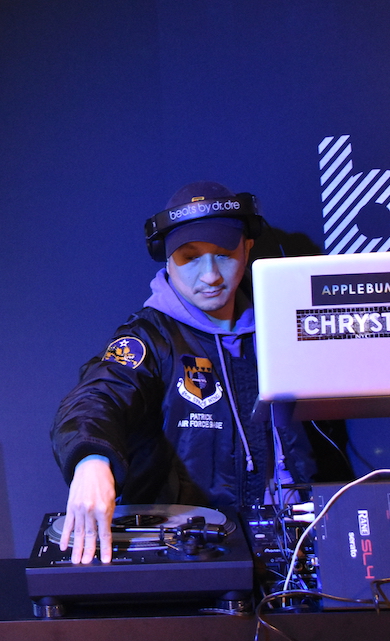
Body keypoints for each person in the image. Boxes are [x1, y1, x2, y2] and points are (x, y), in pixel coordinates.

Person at [49, 181, 316, 564]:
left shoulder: (286, 328)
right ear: (167, 260)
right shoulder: (150, 337)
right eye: (190, 258)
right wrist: (91, 459)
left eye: (223, 254)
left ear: (247, 248)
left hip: (290, 550)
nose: (210, 276)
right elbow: (98, 395)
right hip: (190, 555)